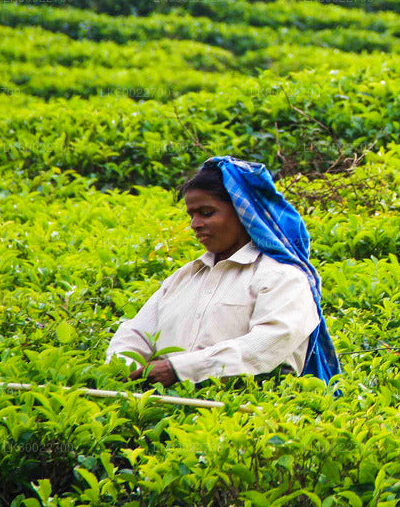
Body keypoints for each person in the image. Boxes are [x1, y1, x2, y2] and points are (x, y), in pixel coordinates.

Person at [106, 157, 340, 387]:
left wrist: (181, 370)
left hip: (249, 415)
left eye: (206, 213)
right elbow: (135, 334)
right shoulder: (184, 277)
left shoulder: (282, 277)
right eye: (192, 215)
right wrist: (124, 367)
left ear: (242, 213)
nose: (195, 224)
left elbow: (269, 343)